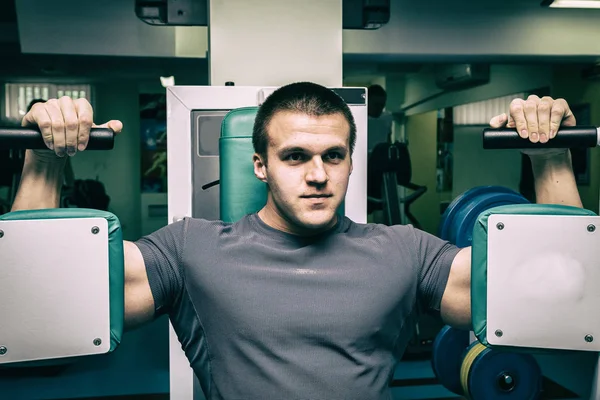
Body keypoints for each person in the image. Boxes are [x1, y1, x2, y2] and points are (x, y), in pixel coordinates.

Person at [11, 82, 582, 399]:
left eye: (334, 156)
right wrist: (42, 158)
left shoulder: (405, 252)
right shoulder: (192, 250)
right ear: (260, 164)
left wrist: (551, 157)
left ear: (351, 162)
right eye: (295, 157)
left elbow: (553, 302)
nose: (317, 175)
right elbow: (39, 303)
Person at [367, 84, 393, 153]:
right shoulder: (357, 119)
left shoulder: (387, 117)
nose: (379, 108)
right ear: (367, 101)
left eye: (382, 105)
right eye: (376, 104)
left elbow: (388, 139)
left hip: (382, 158)